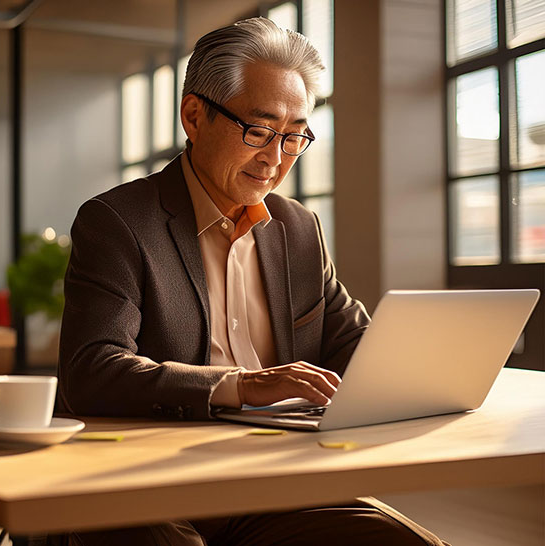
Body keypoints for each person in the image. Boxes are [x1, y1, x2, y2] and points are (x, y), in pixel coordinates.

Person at [56, 17, 449, 546]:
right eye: (259, 131)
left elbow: (357, 346)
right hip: (145, 481)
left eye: (294, 137)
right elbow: (93, 371)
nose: (275, 157)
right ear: (194, 116)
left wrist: (437, 366)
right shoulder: (119, 221)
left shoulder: (298, 228)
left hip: (274, 478)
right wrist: (242, 385)